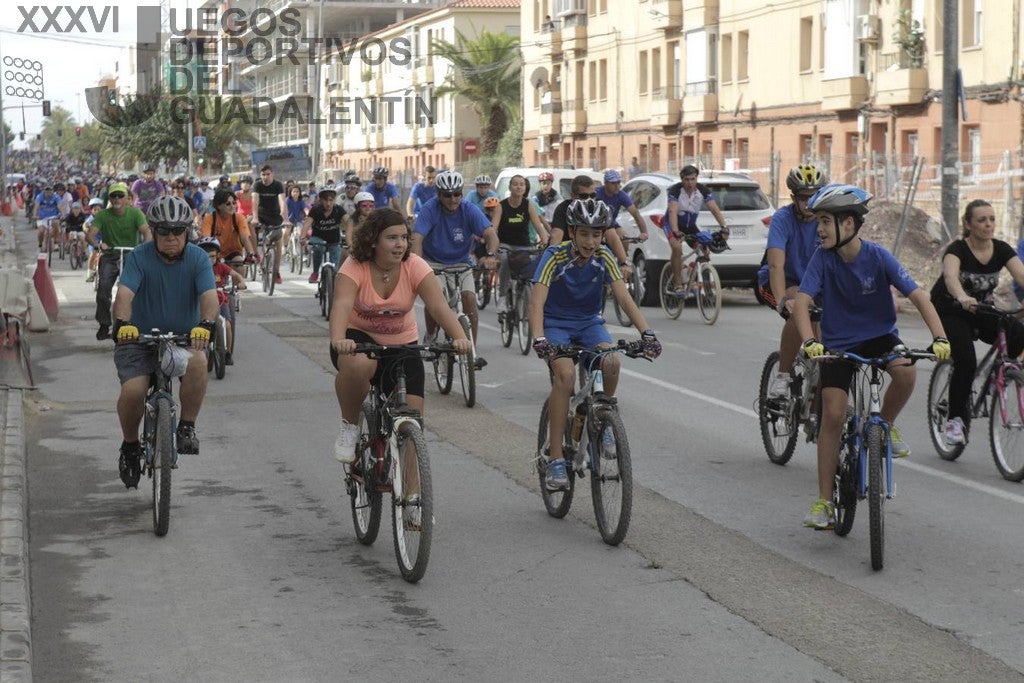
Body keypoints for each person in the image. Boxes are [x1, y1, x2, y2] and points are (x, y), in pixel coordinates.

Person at [791, 184, 950, 529]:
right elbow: (802, 302)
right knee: (832, 414)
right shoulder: (823, 259)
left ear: (848, 224)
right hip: (837, 344)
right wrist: (808, 341)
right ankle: (823, 503)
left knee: (907, 373)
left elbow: (919, 295)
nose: (818, 229)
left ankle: (885, 427)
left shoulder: (878, 256)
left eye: (823, 221)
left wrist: (939, 336)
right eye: (817, 221)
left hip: (879, 337)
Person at [529, 198, 662, 490]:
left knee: (612, 360)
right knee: (564, 377)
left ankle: (603, 420)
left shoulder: (604, 256)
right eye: (585, 234)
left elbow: (623, 297)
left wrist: (647, 333)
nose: (591, 241)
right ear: (573, 233)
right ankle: (554, 460)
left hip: (590, 323)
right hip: (556, 324)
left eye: (597, 234)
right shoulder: (554, 256)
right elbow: (537, 300)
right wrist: (539, 338)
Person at [328, 208, 472, 468]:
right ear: (373, 240)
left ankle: (413, 503)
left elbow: (439, 307)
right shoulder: (354, 266)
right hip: (360, 339)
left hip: (403, 344)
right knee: (360, 365)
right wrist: (339, 339)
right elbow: (341, 305)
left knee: (412, 424)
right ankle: (349, 427)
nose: (400, 244)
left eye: (404, 238)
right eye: (392, 238)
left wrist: (461, 339)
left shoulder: (415, 266)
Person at [111, 196, 219, 488]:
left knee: (198, 362)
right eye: (164, 231)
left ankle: (187, 426)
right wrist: (122, 324)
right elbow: (124, 296)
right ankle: (131, 447)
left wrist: (206, 325)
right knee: (133, 391)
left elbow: (209, 298)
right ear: (154, 231)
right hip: (139, 338)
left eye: (178, 231)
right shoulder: (139, 257)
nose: (171, 237)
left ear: (187, 232)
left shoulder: (197, 258)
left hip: (184, 338)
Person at [929, 199, 1024, 446]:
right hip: (950, 309)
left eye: (992, 219)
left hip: (980, 308)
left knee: (1017, 332)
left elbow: (1022, 276)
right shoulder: (957, 249)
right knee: (966, 360)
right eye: (982, 220)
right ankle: (955, 421)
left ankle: (1000, 377)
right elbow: (950, 277)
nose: (988, 224)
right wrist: (961, 296)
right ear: (968, 224)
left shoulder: (1001, 249)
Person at [411, 170, 499, 368]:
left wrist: (491, 256)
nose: (453, 199)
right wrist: (416, 262)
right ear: (439, 195)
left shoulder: (468, 209)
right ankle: (431, 336)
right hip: (433, 262)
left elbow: (490, 234)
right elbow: (417, 238)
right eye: (447, 195)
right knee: (437, 296)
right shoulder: (430, 209)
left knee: (469, 299)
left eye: (457, 194)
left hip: (462, 262)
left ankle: (471, 351)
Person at [757, 164, 830, 399]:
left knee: (826, 340)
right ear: (793, 198)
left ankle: (815, 404)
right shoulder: (783, 219)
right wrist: (781, 301)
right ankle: (782, 374)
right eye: (803, 198)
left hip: (816, 285)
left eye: (814, 197)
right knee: (800, 305)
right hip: (781, 282)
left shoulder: (827, 220)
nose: (809, 204)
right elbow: (776, 264)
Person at [86, 182, 151, 341]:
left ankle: (136, 321)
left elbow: (146, 232)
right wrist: (98, 244)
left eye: (120, 196)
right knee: (103, 290)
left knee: (135, 289)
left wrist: (144, 246)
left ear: (127, 198)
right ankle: (103, 324)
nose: (116, 199)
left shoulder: (136, 214)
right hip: (109, 255)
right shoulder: (103, 215)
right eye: (113, 196)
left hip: (131, 255)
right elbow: (91, 234)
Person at [549, 175, 635, 277]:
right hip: (567, 258)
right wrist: (552, 263)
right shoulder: (563, 208)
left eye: (593, 195)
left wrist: (624, 263)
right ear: (573, 196)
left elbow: (612, 236)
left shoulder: (600, 208)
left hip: (592, 259)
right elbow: (556, 236)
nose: (589, 200)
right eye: (584, 196)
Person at [663, 165, 729, 297]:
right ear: (682, 180)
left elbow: (714, 209)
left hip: (690, 225)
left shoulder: (702, 190)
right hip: (672, 223)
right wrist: (675, 231)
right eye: (686, 179)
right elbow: (673, 211)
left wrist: (724, 227)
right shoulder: (675, 191)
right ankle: (677, 285)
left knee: (705, 251)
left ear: (696, 178)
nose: (690, 183)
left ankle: (691, 274)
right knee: (676, 248)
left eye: (693, 179)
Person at [197, 236, 247, 365]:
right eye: (205, 256)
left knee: (228, 325)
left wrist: (241, 282)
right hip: (203, 302)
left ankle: (227, 352)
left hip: (221, 300)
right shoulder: (197, 268)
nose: (209, 259)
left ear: (218, 255)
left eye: (212, 256)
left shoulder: (222, 267)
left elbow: (236, 275)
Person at [497, 174, 549, 296]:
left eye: (521, 184)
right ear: (510, 187)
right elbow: (493, 229)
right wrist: (492, 246)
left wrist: (546, 242)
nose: (518, 187)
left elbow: (538, 226)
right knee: (504, 261)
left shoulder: (529, 205)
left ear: (525, 188)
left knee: (534, 265)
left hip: (525, 246)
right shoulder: (501, 205)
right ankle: (502, 295)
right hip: (505, 246)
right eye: (515, 184)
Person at [200, 188, 258, 278]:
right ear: (219, 206)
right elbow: (206, 241)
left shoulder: (239, 218)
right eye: (228, 204)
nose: (232, 206)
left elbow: (245, 238)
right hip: (215, 253)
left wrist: (250, 254)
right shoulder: (209, 218)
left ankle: (237, 291)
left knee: (239, 265)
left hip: (233, 252)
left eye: (234, 203)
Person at [251, 164, 287, 285]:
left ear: (272, 174)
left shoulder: (278, 185)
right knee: (250, 225)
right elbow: (255, 201)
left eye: (268, 174)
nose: (265, 177)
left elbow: (282, 201)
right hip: (261, 215)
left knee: (278, 244)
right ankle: (255, 253)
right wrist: (255, 217)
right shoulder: (257, 185)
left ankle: (276, 272)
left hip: (275, 216)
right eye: (263, 175)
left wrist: (284, 215)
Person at [305, 186, 347, 283]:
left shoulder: (338, 210)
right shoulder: (315, 210)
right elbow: (307, 224)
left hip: (334, 240)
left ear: (334, 200)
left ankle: (331, 282)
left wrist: (351, 236)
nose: (328, 203)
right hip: (318, 238)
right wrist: (302, 238)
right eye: (325, 200)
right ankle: (315, 272)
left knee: (334, 268)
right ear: (320, 200)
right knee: (319, 248)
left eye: (331, 200)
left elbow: (349, 222)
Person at [595, 169, 649, 242]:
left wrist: (644, 232)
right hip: (594, 225)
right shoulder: (596, 193)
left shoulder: (621, 195)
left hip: (611, 224)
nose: (617, 186)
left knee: (624, 240)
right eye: (613, 183)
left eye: (618, 183)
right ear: (605, 183)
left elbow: (635, 213)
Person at [32, 184, 61, 251]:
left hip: (53, 216)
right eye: (47, 191)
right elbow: (36, 206)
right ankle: (40, 244)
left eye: (50, 191)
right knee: (41, 231)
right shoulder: (40, 196)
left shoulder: (56, 197)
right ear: (44, 191)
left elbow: (60, 206)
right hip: (42, 217)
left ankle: (56, 243)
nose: (48, 192)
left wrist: (62, 214)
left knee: (56, 224)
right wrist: (34, 215)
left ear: (52, 191)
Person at [84, 197, 105, 282]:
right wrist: (86, 229)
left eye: (99, 209)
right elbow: (85, 225)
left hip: (104, 239)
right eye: (95, 209)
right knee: (93, 254)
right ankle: (89, 273)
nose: (97, 211)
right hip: (94, 240)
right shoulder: (90, 219)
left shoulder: (105, 218)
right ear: (91, 211)